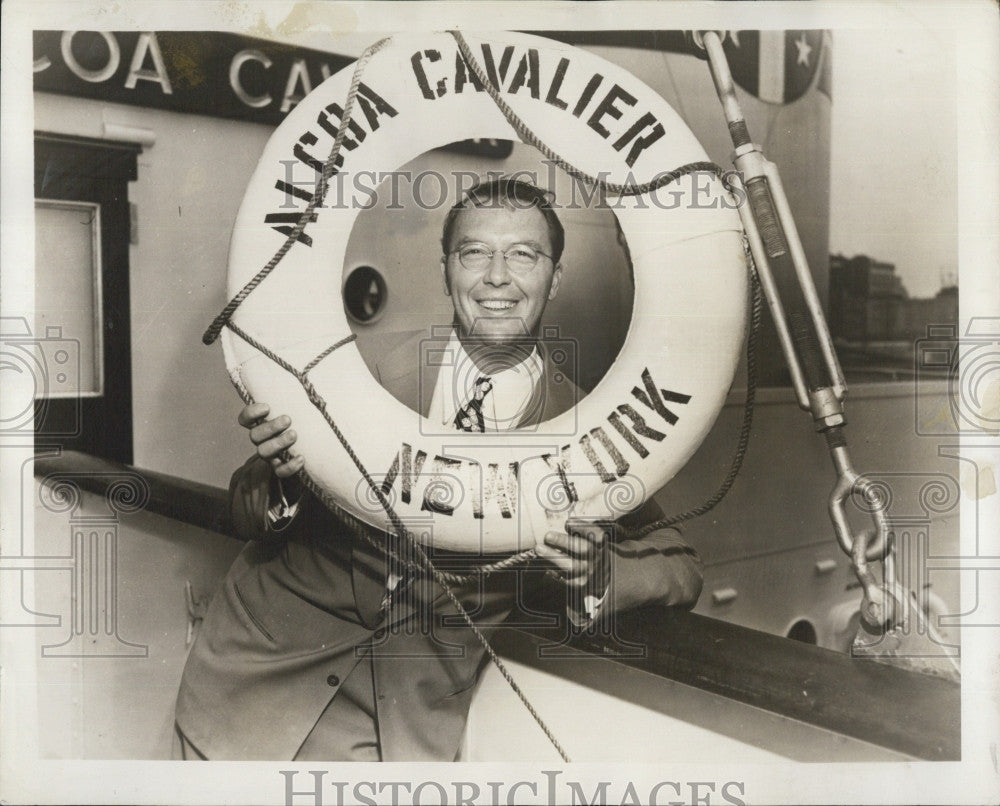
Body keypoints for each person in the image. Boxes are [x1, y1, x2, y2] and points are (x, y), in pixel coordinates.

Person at [174, 178, 703, 761]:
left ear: (555, 277)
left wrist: (599, 573)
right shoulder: (361, 371)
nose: (497, 277)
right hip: (253, 681)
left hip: (403, 726)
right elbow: (246, 508)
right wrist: (283, 479)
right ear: (446, 269)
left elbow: (679, 562)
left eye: (524, 255)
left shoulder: (587, 427)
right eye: (475, 253)